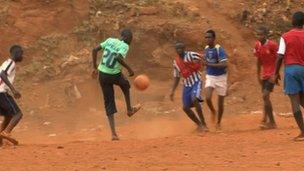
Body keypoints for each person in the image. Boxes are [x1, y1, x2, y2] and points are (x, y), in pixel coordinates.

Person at [92, 29, 141, 141]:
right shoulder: (124, 46)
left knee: (109, 102)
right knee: (125, 85)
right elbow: (118, 58)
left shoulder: (110, 40)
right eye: (130, 39)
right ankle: (129, 110)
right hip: (113, 74)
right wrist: (129, 69)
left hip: (102, 75)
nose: (130, 41)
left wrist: (94, 68)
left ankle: (114, 134)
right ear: (125, 38)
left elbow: (94, 50)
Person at [273, 11, 304, 141]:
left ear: (292, 21)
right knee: (303, 99)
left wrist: (275, 73)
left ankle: (303, 132)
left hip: (291, 69)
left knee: (295, 102)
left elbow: (280, 55)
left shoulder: (285, 36)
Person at [170, 42, 208, 132]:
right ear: (175, 50)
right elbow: (177, 77)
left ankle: (204, 124)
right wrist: (173, 91)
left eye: (181, 48)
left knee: (194, 99)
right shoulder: (176, 62)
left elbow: (204, 57)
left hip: (196, 81)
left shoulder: (191, 55)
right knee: (185, 108)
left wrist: (204, 66)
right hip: (187, 84)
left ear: (184, 48)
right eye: (177, 49)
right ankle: (199, 125)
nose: (179, 50)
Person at [254, 26, 278, 129]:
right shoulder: (257, 45)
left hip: (272, 74)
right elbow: (258, 61)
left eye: (261, 34)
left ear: (265, 35)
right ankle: (265, 118)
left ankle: (272, 122)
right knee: (265, 97)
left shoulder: (272, 45)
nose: (259, 36)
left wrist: (275, 74)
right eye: (258, 34)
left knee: (265, 95)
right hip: (264, 74)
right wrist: (258, 75)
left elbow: (279, 59)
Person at [204, 30, 228, 130]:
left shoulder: (219, 49)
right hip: (210, 76)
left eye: (209, 37)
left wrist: (208, 64)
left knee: (220, 102)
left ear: (214, 38)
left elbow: (224, 64)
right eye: (206, 37)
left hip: (221, 77)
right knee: (208, 97)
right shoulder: (206, 48)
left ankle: (218, 122)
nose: (207, 39)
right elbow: (206, 60)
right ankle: (213, 111)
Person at [0, 45, 24, 146]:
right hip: (1, 92)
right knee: (18, 114)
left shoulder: (7, 62)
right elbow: (2, 73)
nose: (22, 56)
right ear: (17, 53)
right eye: (21, 54)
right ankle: (6, 132)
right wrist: (13, 90)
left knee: (8, 115)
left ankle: (0, 139)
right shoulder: (11, 63)